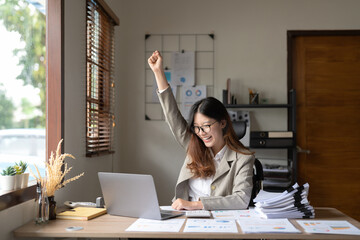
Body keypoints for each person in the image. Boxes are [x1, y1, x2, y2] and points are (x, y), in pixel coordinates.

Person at [148, 50, 255, 211]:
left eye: (206, 126)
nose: (201, 132)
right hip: (183, 217)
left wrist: (196, 205)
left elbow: (241, 199)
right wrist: (158, 72)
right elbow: (172, 116)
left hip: (219, 222)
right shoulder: (194, 144)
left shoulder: (243, 158)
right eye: (197, 127)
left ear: (222, 123)